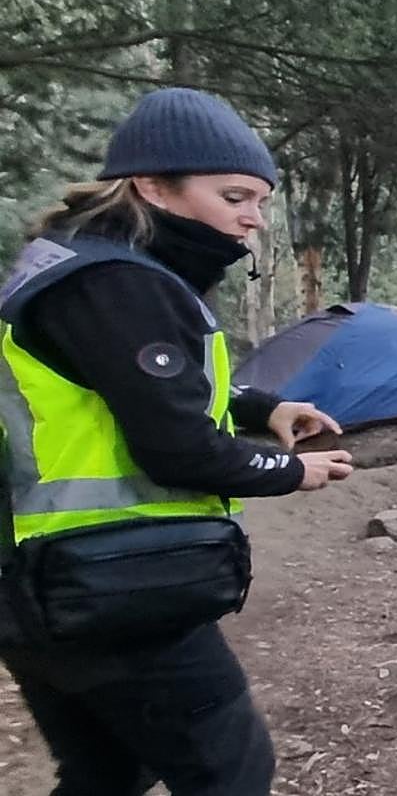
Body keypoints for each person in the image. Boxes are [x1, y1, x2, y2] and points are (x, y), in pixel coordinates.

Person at [0, 88, 355, 794]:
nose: (252, 220)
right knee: (229, 773)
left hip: (39, 586)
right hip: (110, 583)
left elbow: (120, 390)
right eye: (234, 197)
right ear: (154, 185)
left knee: (106, 771)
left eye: (259, 201)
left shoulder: (74, 266)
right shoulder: (117, 284)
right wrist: (291, 471)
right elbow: (179, 449)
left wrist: (264, 406)